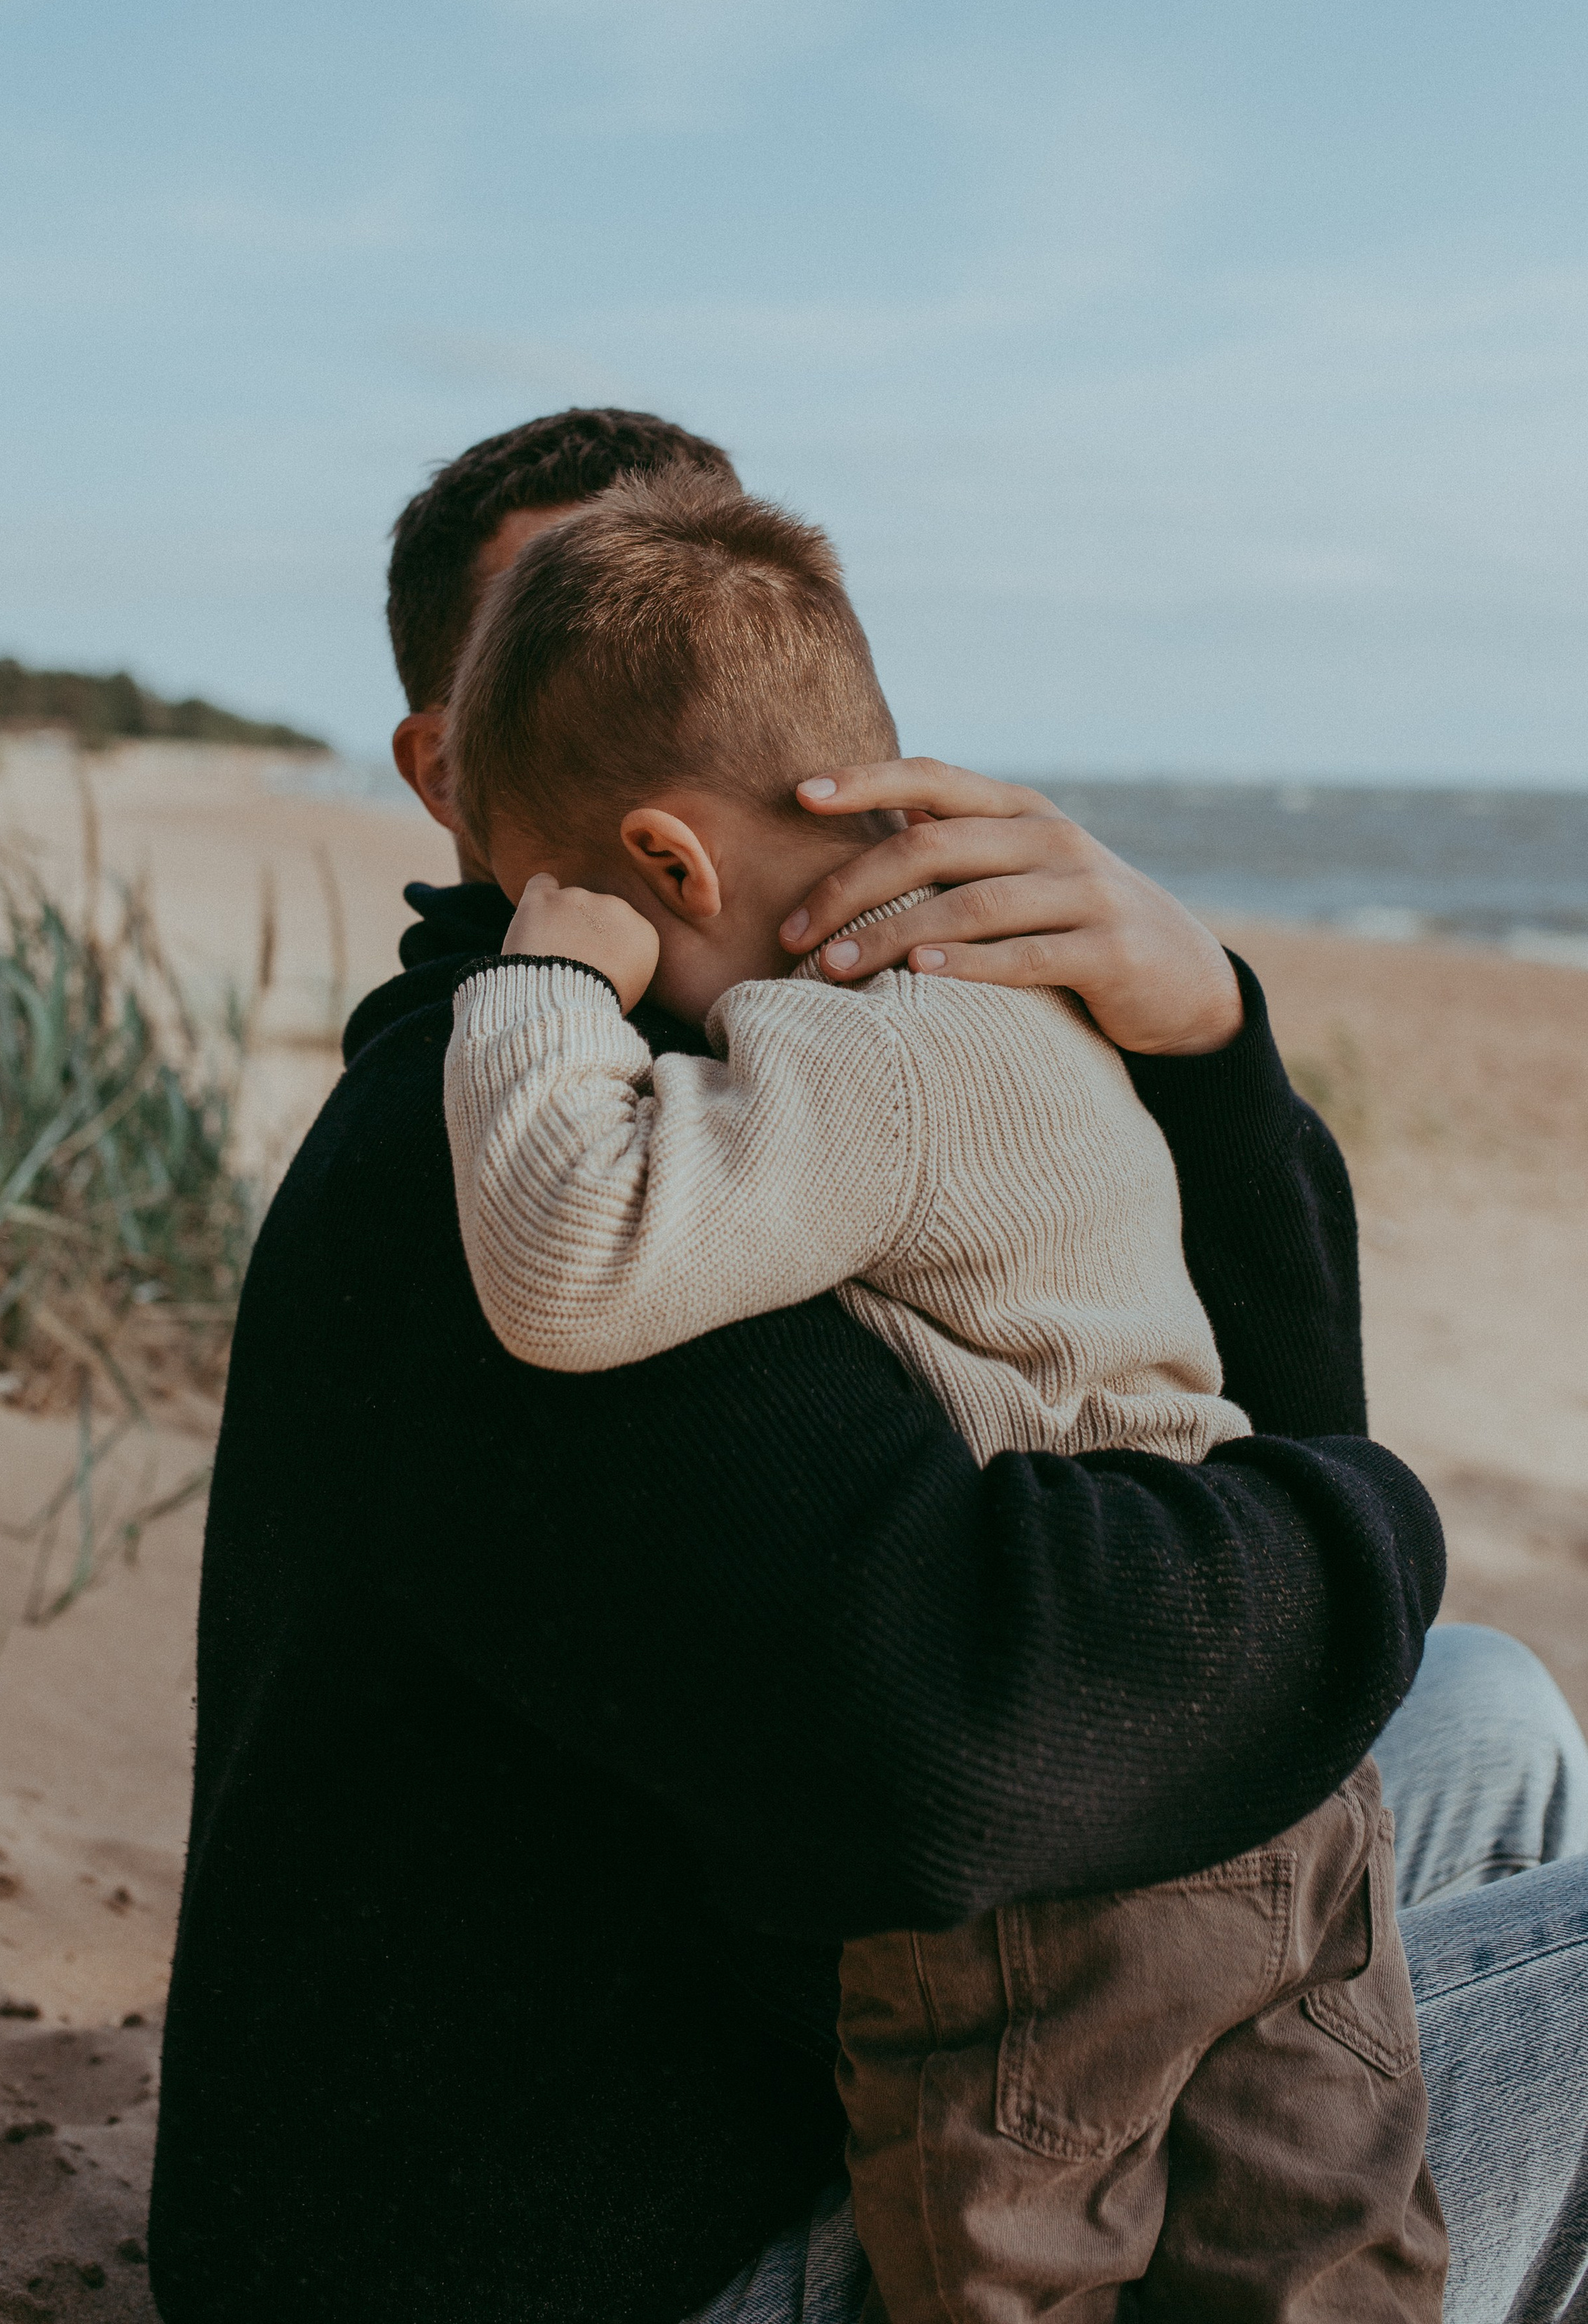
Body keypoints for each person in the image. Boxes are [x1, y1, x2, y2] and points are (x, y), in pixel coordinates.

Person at [148, 407, 1588, 2323]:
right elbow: (971, 1734)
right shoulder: (515, 1153)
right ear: (445, 770)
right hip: (634, 2253)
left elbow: (1237, 1439)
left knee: (1483, 1704)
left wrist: (1204, 1034)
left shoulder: (795, 1067)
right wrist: (1372, 1533)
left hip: (806, 2038)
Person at [440, 468, 1444, 2320]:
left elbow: (573, 1251)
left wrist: (541, 989)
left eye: (576, 898)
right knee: (1332, 2247)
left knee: (1012, 2268)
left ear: (669, 868)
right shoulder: (1041, 1014)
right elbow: (1291, 1395)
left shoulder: (847, 1055)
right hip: (1284, 1801)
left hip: (1070, 1874)